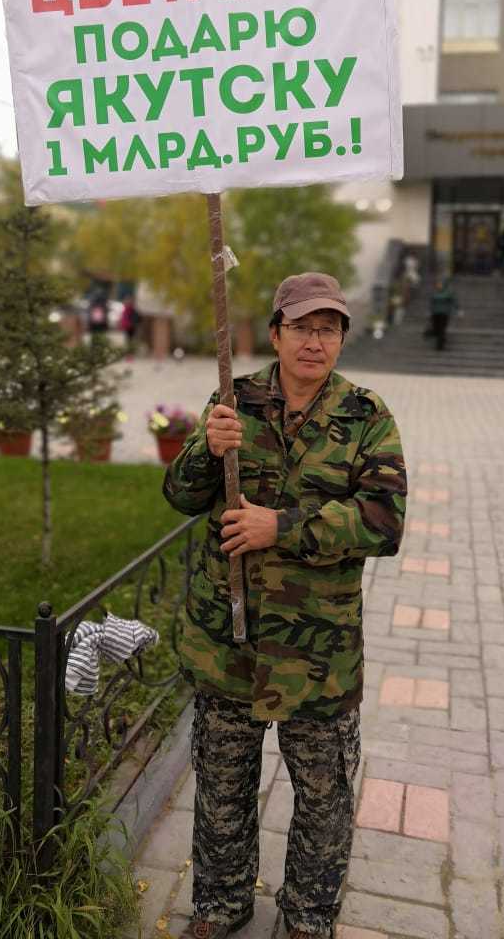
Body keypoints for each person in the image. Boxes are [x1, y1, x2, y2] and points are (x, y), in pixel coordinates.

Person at [163, 273, 407, 939]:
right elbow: (180, 496)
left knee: (324, 795)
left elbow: (384, 523)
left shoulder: (366, 416)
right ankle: (220, 904)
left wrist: (283, 527)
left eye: (328, 329)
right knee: (222, 786)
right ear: (275, 334)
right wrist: (207, 452)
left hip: (317, 650)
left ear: (341, 340)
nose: (314, 342)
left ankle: (308, 914)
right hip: (229, 640)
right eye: (301, 327)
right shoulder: (232, 401)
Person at [427, 277, 456, 351]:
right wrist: (430, 310)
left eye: (440, 284)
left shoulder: (448, 292)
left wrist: (456, 310)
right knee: (436, 328)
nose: (438, 285)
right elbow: (432, 302)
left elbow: (453, 301)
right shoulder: (434, 292)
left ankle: (440, 344)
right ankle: (440, 339)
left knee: (441, 329)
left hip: (444, 313)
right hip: (435, 313)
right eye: (438, 284)